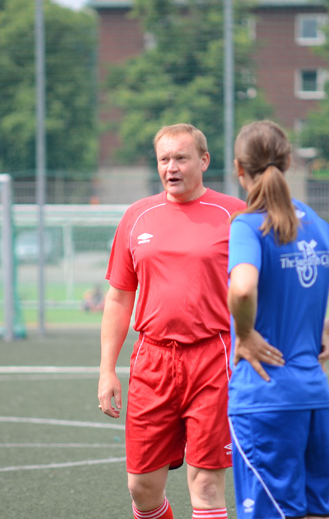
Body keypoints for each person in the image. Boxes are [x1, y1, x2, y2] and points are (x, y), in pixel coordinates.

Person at [226, 120, 329, 519]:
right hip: (314, 396)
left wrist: (245, 334)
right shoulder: (316, 224)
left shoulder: (247, 225)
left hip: (263, 398)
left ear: (238, 168)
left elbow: (243, 288)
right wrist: (326, 326)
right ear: (288, 163)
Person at [97, 123, 246, 519]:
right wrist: (107, 370)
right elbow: (119, 297)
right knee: (141, 488)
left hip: (214, 359)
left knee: (207, 485)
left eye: (181, 158)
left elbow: (262, 290)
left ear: (204, 160)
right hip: (152, 362)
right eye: (164, 159)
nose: (171, 167)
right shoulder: (137, 216)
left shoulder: (235, 214)